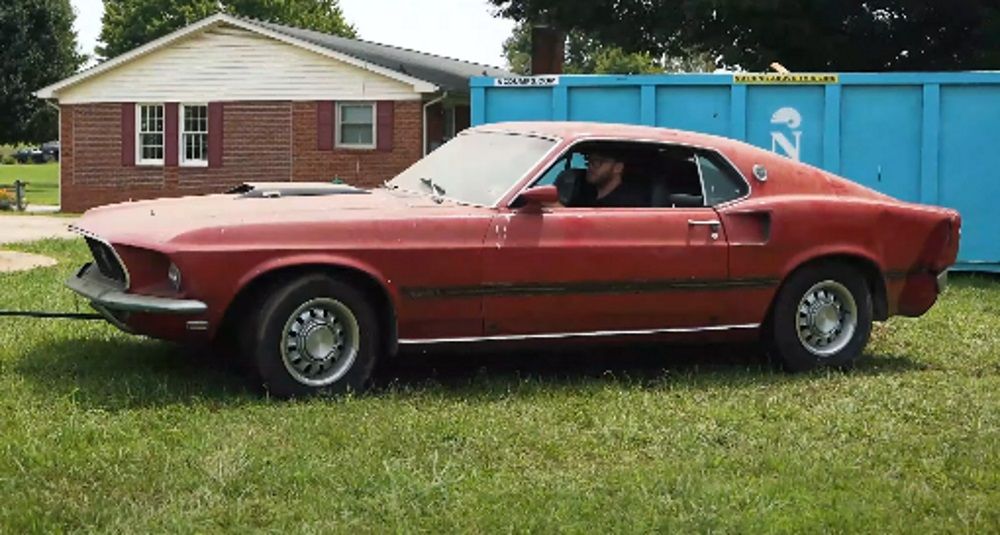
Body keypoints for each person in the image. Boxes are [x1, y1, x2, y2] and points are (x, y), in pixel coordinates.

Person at [583, 150, 649, 207]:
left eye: (597, 162)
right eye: (589, 161)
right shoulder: (585, 194)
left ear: (618, 167)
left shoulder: (626, 205)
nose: (590, 166)